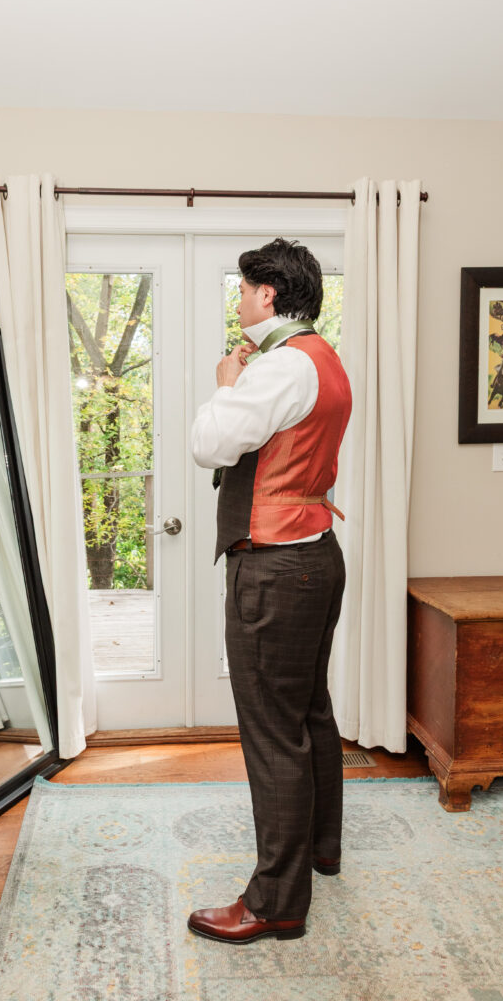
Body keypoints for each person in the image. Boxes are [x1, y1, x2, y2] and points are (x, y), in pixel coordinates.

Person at [188, 237, 352, 944]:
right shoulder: (323, 359)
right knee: (308, 712)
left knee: (272, 732)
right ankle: (320, 849)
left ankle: (273, 903)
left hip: (276, 567)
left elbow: (209, 445)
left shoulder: (277, 367)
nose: (238, 300)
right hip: (316, 554)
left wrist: (225, 380)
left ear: (268, 296)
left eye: (243, 290)